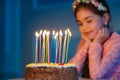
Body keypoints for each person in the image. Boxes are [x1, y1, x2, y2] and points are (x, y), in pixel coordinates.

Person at [69, 0, 120, 79]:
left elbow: (96, 75)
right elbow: (70, 72)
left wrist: (96, 44)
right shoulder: (85, 42)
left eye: (89, 21)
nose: (84, 27)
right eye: (80, 23)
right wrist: (86, 45)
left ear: (105, 18)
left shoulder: (116, 43)